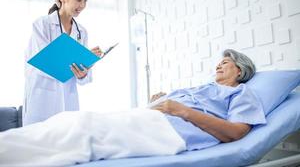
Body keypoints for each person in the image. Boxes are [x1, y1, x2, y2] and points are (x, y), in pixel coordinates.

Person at [1, 49, 266, 166]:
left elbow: (236, 133)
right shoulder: (203, 87)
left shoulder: (241, 93)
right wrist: (165, 98)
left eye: (225, 63)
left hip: (170, 132)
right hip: (149, 118)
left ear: (240, 70)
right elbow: (175, 105)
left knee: (83, 129)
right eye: (218, 62)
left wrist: (181, 110)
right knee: (71, 121)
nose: (218, 66)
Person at [23, 0, 103, 126]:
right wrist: (75, 62)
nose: (82, 5)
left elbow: (83, 79)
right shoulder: (42, 25)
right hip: (42, 98)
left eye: (85, 0)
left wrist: (84, 71)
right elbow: (43, 63)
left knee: (67, 143)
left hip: (68, 100)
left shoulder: (82, 32)